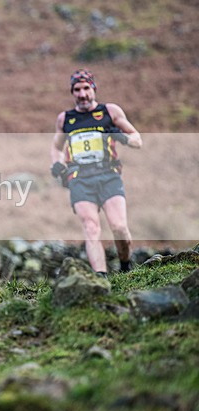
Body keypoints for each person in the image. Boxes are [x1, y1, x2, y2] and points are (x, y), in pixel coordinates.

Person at [50, 69, 142, 277]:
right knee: (91, 227)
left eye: (86, 88)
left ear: (94, 89)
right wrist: (56, 164)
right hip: (79, 179)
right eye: (77, 90)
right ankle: (101, 277)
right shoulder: (65, 119)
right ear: (72, 92)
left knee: (119, 227)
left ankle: (125, 266)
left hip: (108, 175)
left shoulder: (110, 111)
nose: (82, 94)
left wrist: (123, 138)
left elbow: (137, 139)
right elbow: (56, 147)